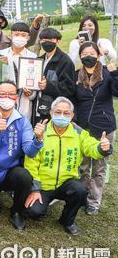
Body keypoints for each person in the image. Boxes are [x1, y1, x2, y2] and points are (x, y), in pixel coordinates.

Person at [24, 97, 113, 235]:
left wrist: (102, 148)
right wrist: (35, 189)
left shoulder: (78, 133)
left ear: (72, 116)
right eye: (58, 112)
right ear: (51, 113)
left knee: (80, 190)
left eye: (66, 113)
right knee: (34, 212)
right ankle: (42, 204)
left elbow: (91, 147)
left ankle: (67, 220)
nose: (62, 116)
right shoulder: (41, 133)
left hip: (67, 183)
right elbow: (31, 163)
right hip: (44, 185)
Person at [0, 81, 42, 231]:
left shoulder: (22, 121)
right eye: (2, 94)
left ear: (16, 98)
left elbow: (29, 152)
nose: (7, 97)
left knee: (24, 176)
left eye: (11, 94)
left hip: (9, 172)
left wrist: (38, 140)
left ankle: (17, 212)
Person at [74, 42, 118, 215]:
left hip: (104, 126)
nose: (88, 55)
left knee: (99, 167)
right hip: (83, 126)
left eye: (92, 52)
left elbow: (116, 92)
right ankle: (83, 195)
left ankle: (94, 201)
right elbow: (73, 100)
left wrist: (115, 74)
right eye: (84, 53)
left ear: (99, 55)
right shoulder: (76, 75)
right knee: (83, 165)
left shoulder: (107, 72)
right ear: (80, 56)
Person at [34, 27, 76, 124]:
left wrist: (48, 86)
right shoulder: (39, 60)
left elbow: (69, 89)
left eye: (51, 40)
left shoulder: (65, 61)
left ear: (57, 42)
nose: (47, 42)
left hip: (54, 113)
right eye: (44, 40)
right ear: (40, 41)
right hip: (37, 109)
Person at [0, 22, 37, 120]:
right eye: (16, 34)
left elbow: (35, 87)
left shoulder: (33, 57)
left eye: (23, 35)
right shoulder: (1, 54)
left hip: (23, 104)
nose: (20, 37)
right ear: (10, 36)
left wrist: (30, 92)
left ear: (28, 38)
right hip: (4, 101)